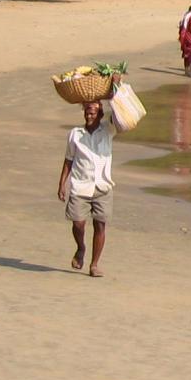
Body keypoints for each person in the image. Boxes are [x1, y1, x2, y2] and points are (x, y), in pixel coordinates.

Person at [57, 100, 115, 277]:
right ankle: (81, 247)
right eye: (87, 113)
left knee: (100, 225)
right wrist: (62, 184)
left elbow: (121, 114)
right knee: (78, 223)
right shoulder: (75, 134)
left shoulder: (108, 131)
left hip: (102, 186)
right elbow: (69, 159)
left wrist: (116, 88)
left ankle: (94, 264)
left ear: (100, 115)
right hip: (80, 186)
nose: (89, 116)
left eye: (93, 113)